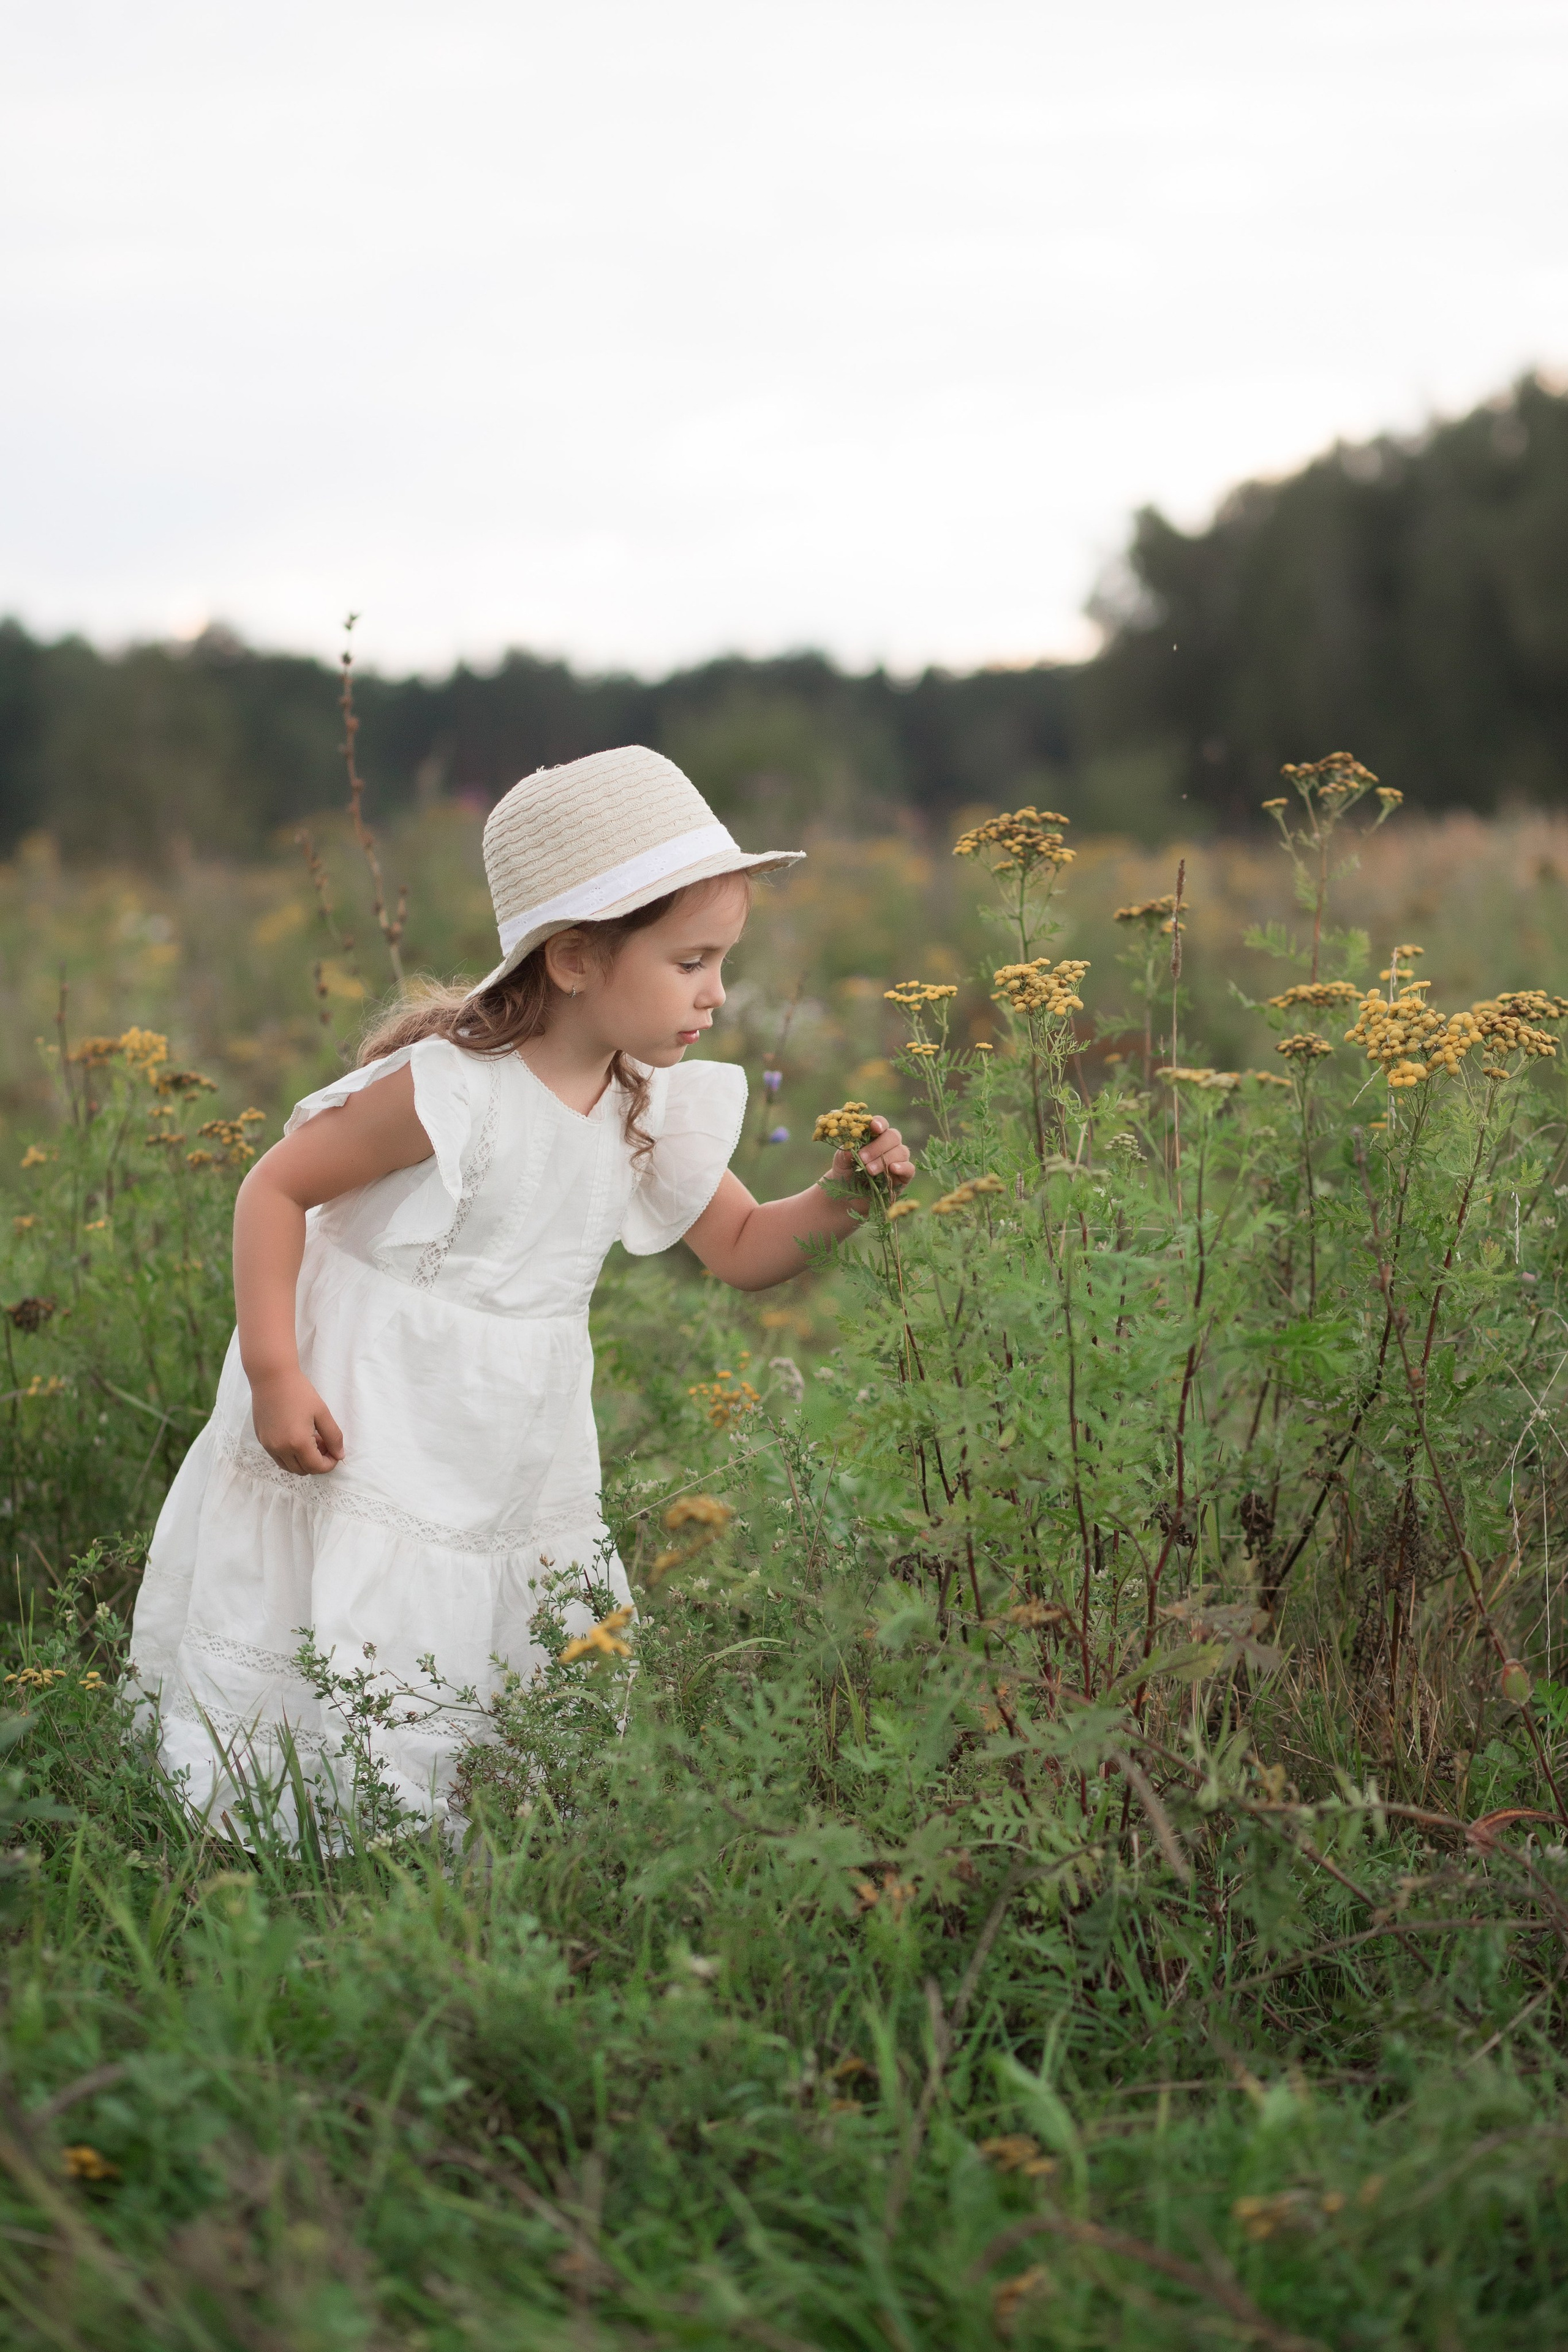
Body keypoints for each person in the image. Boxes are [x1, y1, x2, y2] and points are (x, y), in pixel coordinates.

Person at [128, 746, 914, 1833]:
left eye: (723, 961)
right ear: (581, 956)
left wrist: (843, 1200)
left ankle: (456, 1820)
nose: (717, 994)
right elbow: (275, 1187)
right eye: (691, 961)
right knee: (354, 1612)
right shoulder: (454, 1090)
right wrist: (273, 1369)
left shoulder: (643, 1096)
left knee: (487, 1620)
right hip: (371, 1394)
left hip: (511, 1421)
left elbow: (740, 1246)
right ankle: (314, 1823)